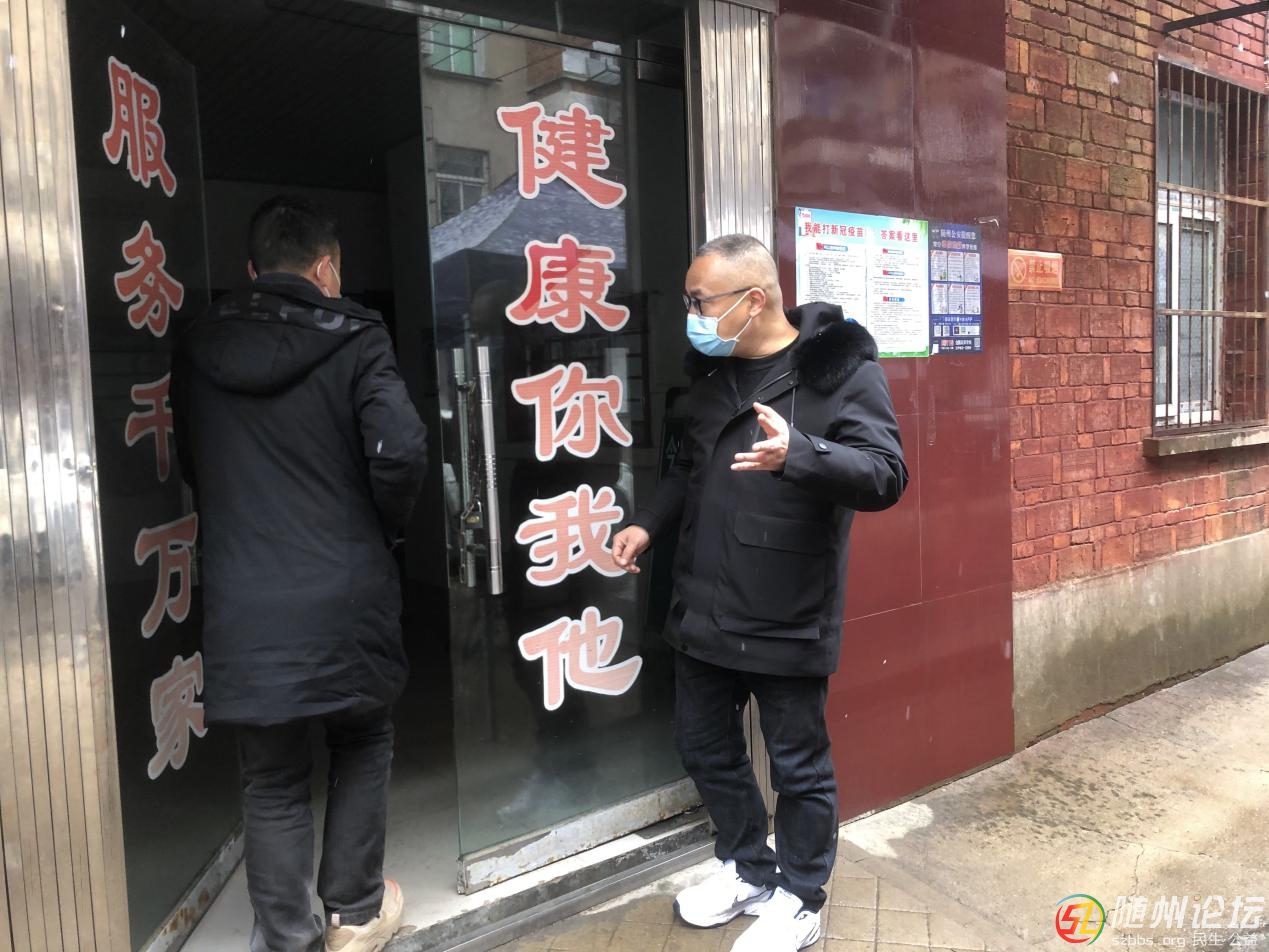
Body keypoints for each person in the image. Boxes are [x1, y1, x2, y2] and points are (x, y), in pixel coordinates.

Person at [611, 234, 907, 952]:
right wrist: (647, 524)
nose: (690, 315)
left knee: (797, 768)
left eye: (698, 301)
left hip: (786, 613)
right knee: (703, 748)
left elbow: (885, 474)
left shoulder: (840, 374)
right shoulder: (711, 380)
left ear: (751, 300)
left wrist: (801, 454)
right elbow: (686, 472)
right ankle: (748, 868)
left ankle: (800, 899)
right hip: (702, 607)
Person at [171, 194, 428, 952]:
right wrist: (382, 530)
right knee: (361, 741)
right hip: (346, 591)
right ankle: (353, 913)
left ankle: (288, 940)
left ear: (252, 272)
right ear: (325, 270)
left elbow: (193, 461)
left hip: (246, 597)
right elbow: (401, 450)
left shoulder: (197, 346)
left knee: (272, 776)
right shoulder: (357, 335)